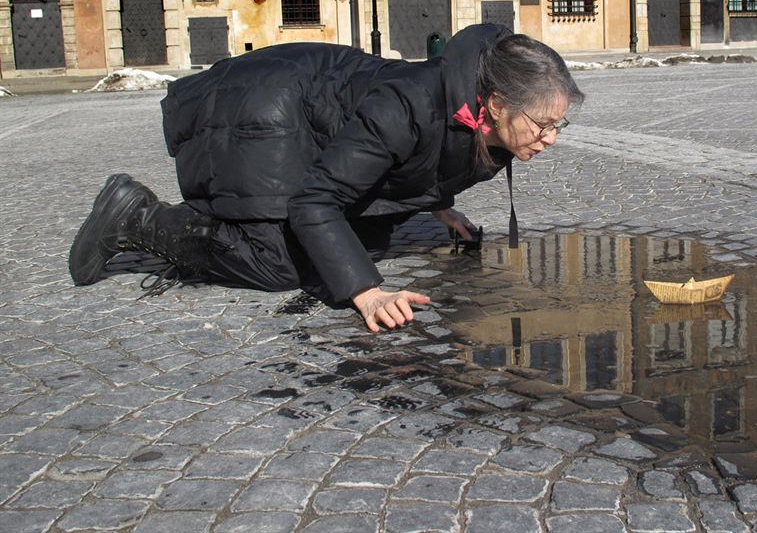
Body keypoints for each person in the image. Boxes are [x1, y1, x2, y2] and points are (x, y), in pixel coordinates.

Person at [68, 24, 583, 333]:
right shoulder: (406, 108)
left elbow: (426, 157)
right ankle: (136, 216)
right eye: (543, 124)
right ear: (495, 104)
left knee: (365, 238)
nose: (551, 138)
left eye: (557, 125)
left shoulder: (481, 113)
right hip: (274, 111)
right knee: (277, 263)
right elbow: (316, 202)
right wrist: (368, 293)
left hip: (322, 118)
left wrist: (438, 205)